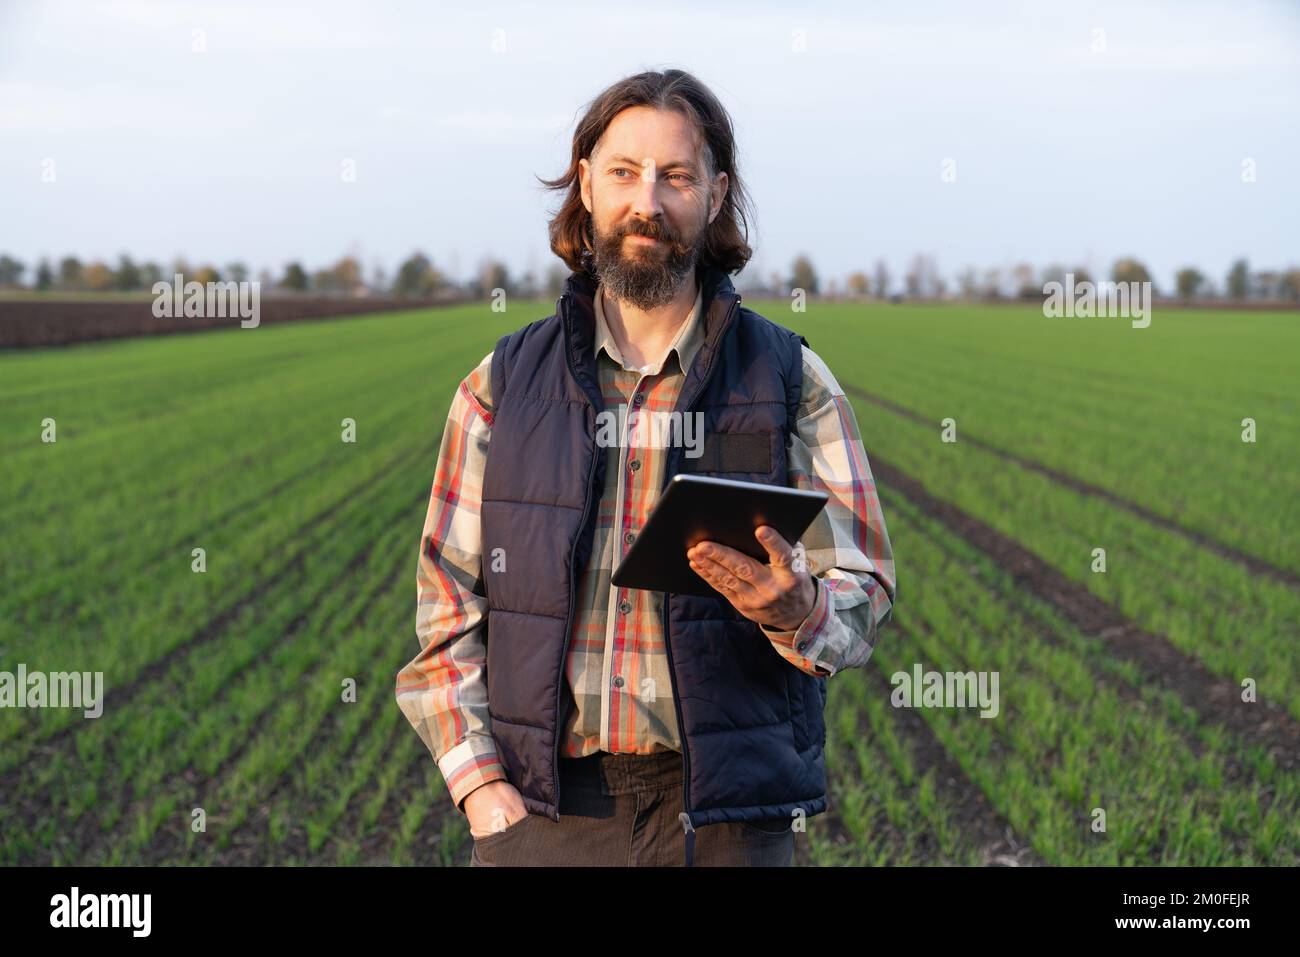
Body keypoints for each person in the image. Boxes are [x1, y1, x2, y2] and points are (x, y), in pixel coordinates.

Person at [395, 68, 895, 867]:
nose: (648, 202)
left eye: (677, 176)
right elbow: (446, 607)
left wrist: (797, 609)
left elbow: (865, 591)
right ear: (587, 183)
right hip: (543, 818)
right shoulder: (499, 386)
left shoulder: (792, 380)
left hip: (727, 826)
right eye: (624, 172)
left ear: (716, 193)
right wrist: (486, 796)